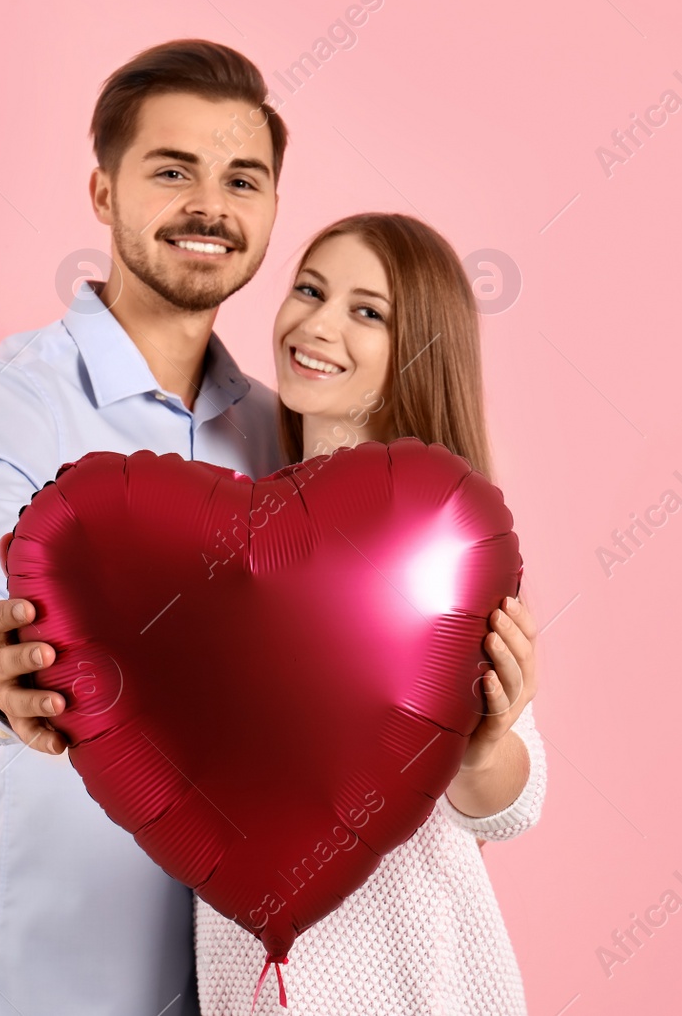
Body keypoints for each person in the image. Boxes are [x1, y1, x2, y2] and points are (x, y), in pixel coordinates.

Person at [0, 39, 538, 1014]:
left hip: (240, 984)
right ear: (103, 192)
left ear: (272, 209)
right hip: (50, 971)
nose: (209, 205)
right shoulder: (16, 397)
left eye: (241, 178)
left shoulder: (275, 431)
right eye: (171, 170)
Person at [193, 214, 545, 1015]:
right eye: (309, 290)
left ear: (418, 350)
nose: (317, 324)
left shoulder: (438, 542)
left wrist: (481, 748)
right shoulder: (234, 531)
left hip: (411, 984)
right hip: (251, 984)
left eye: (367, 311)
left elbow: (517, 802)